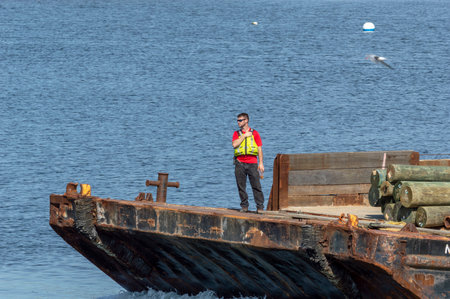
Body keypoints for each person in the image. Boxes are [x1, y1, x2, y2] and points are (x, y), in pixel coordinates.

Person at [232, 113, 264, 213]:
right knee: (241, 186)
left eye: (240, 120)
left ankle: (260, 207)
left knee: (256, 186)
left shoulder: (255, 133)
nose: (238, 122)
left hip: (252, 163)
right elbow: (234, 144)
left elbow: (259, 148)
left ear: (246, 121)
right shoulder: (236, 134)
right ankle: (244, 206)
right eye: (237, 120)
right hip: (240, 163)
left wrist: (261, 163)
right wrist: (245, 135)